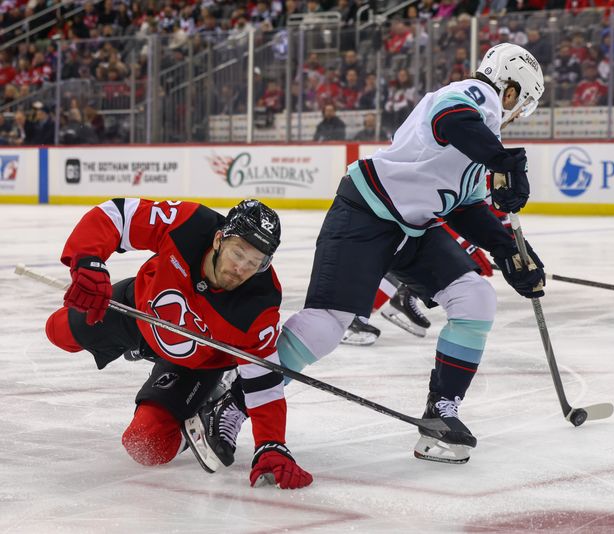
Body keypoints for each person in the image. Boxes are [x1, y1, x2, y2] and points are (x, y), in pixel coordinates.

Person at [275, 43, 546, 464]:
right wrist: (503, 161)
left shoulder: (483, 135)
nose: (511, 115)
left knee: (475, 298)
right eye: (518, 106)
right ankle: (237, 396)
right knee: (327, 325)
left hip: (412, 229)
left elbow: (465, 206)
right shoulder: (475, 96)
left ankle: (441, 410)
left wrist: (510, 252)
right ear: (510, 92)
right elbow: (450, 119)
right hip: (366, 213)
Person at [43, 199, 312, 489]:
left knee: (145, 444)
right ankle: (141, 348)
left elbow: (263, 381)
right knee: (57, 330)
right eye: (238, 254)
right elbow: (117, 216)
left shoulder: (258, 306)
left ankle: (205, 401)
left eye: (254, 263)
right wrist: (88, 262)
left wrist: (271, 445)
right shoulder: (188, 223)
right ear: (220, 239)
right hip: (137, 310)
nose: (240, 269)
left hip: (193, 363)